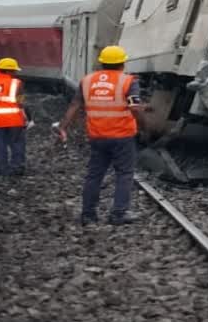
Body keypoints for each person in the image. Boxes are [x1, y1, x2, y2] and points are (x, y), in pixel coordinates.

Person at [54, 45, 144, 226]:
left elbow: (75, 104)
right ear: (123, 63)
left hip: (97, 136)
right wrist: (144, 125)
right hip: (122, 136)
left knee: (94, 175)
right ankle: (118, 213)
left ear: (101, 63)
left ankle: (88, 215)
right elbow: (134, 107)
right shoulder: (128, 81)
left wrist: (63, 127)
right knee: (124, 173)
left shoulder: (87, 81)